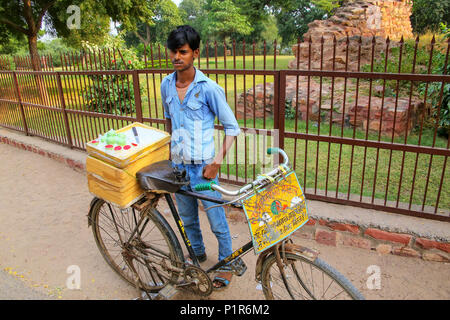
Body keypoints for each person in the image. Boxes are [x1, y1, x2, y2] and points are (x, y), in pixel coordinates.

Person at [161, 25, 244, 290]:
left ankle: (226, 263)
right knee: (187, 219)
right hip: (179, 167)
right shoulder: (166, 84)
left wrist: (216, 162)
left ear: (195, 52)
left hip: (204, 169)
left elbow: (232, 128)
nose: (177, 57)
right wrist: (171, 152)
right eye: (173, 51)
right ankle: (196, 254)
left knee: (217, 220)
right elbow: (168, 120)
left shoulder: (208, 88)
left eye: (183, 51)